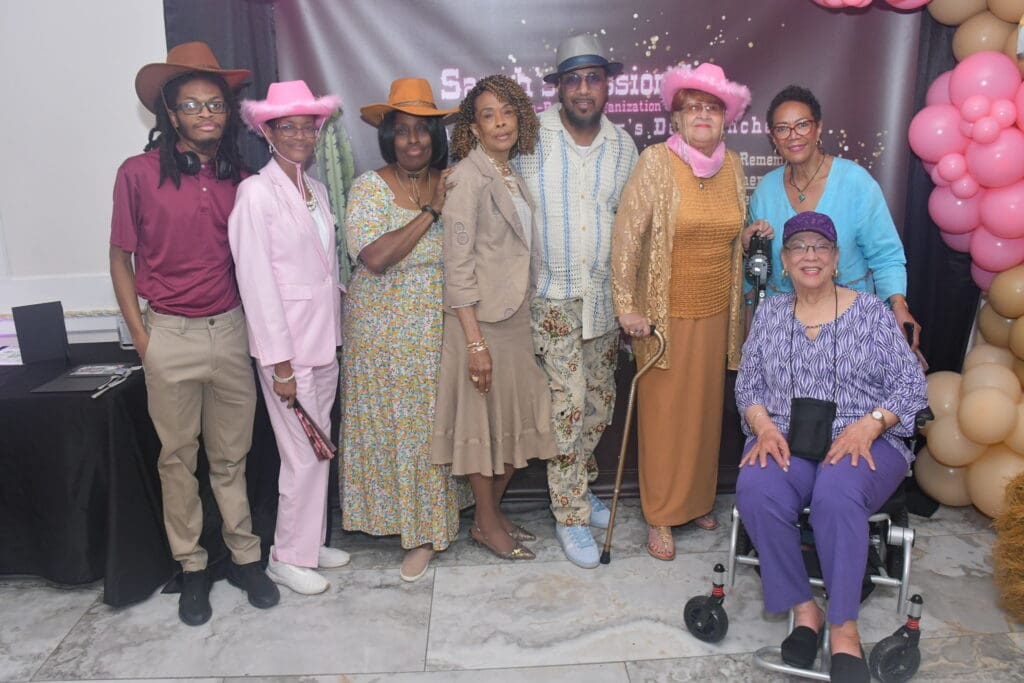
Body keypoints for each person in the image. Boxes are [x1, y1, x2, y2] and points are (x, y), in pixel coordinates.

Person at [109, 42, 278, 625]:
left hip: (231, 332)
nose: (206, 114)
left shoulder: (244, 181)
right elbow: (120, 259)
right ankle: (193, 567)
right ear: (171, 113)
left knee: (232, 458)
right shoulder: (136, 174)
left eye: (215, 104)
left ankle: (246, 558)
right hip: (169, 336)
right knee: (178, 460)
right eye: (192, 105)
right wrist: (143, 340)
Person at [734, 211, 927, 683]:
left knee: (837, 495)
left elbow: (912, 386)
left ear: (836, 259)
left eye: (821, 247)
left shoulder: (872, 313)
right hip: (785, 435)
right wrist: (762, 425)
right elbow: (748, 385)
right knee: (757, 488)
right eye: (799, 247)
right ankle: (806, 612)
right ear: (784, 261)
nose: (811, 256)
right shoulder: (770, 314)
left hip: (863, 437)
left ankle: (844, 629)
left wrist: (871, 425)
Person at [611, 62, 750, 561]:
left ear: (726, 117)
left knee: (705, 415)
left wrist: (749, 236)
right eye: (693, 107)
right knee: (665, 417)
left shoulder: (733, 166)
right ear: (676, 116)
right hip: (661, 317)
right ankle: (661, 514)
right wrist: (627, 306)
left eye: (713, 107)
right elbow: (627, 238)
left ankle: (695, 502)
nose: (703, 115)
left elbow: (730, 230)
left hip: (715, 312)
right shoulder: (656, 162)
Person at [342, 78, 469, 583]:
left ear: (435, 135)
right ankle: (413, 532)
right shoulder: (368, 188)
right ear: (388, 136)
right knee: (397, 429)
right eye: (402, 130)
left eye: (422, 130)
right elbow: (375, 257)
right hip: (381, 333)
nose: (413, 140)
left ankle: (433, 522)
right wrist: (430, 211)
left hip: (438, 328)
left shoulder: (452, 180)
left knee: (430, 430)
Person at [518, 34, 639, 569]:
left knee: (597, 405)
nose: (584, 89)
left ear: (607, 85)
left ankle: (579, 486)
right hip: (550, 298)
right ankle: (569, 513)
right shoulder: (529, 138)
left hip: (604, 301)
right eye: (573, 79)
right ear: (559, 88)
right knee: (565, 408)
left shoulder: (624, 147)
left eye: (593, 78)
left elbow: (632, 227)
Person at [228, 80, 349, 595]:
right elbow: (256, 284)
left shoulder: (315, 190)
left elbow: (320, 270)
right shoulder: (255, 194)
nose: (300, 135)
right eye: (288, 127)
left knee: (318, 450)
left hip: (324, 343)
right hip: (288, 354)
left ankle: (309, 544)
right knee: (301, 454)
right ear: (268, 132)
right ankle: (285, 557)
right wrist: (278, 363)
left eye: (308, 126)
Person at [431, 75, 556, 560]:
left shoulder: (509, 174)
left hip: (514, 320)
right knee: (482, 425)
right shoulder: (467, 177)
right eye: (488, 115)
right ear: (473, 128)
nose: (500, 122)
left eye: (507, 112)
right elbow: (457, 266)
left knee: (515, 420)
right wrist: (474, 342)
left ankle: (492, 514)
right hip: (479, 324)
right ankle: (485, 523)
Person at [745, 85, 921, 349]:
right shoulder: (766, 191)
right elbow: (757, 272)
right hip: (785, 333)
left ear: (818, 128)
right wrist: (747, 250)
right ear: (773, 138)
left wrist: (898, 306)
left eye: (802, 125)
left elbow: (886, 256)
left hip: (850, 329)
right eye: (782, 128)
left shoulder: (856, 182)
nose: (793, 136)